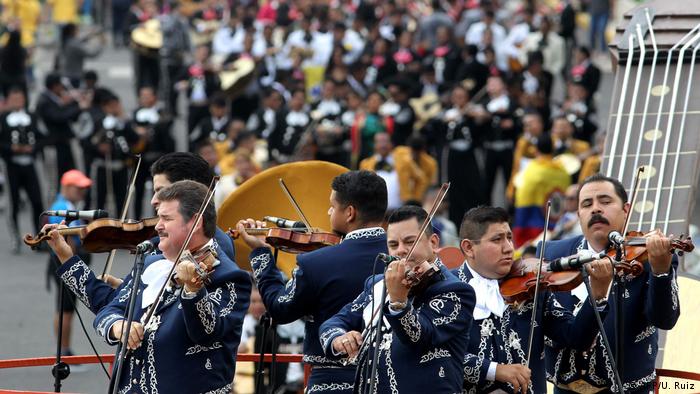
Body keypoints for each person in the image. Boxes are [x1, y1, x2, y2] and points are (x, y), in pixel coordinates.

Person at [46, 180, 251, 393]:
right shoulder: (152, 263)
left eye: (167, 218)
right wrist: (118, 326)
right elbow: (110, 307)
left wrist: (193, 292)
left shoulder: (229, 277)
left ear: (195, 223)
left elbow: (207, 332)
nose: (157, 226)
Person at [236, 170, 388, 393]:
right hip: (389, 381)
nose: (328, 212)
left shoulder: (316, 262)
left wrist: (261, 254)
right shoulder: (404, 259)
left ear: (350, 213)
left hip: (331, 382)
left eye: (332, 206)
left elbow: (280, 308)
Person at [50, 152, 238, 320]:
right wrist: (127, 288)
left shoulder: (215, 249)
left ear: (190, 192)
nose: (153, 200)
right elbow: (113, 308)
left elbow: (181, 318)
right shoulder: (157, 247)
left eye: (161, 191)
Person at [539, 174, 680, 393]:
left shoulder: (649, 257)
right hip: (563, 388)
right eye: (587, 204)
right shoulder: (550, 254)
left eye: (605, 201)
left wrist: (661, 269)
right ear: (578, 214)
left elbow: (664, 319)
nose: (595, 209)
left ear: (626, 209)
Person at [453, 206, 612, 393]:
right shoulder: (448, 290)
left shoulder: (531, 285)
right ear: (469, 248)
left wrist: (597, 294)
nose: (508, 248)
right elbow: (442, 356)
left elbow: (576, 338)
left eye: (509, 238)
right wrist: (495, 370)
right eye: (497, 240)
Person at [319, 205, 476, 393]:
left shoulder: (456, 291)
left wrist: (399, 302)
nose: (401, 251)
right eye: (393, 244)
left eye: (409, 242)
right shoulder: (378, 284)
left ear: (433, 243)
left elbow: (419, 337)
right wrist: (339, 338)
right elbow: (336, 321)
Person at [45, 169, 93, 360]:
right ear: (66, 186)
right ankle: (64, 351)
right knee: (65, 308)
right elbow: (67, 243)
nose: (82, 192)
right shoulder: (61, 208)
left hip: (64, 263)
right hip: (65, 263)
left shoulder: (69, 205)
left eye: (84, 188)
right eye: (79, 188)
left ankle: (64, 350)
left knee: (66, 308)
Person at [0, 87, 44, 252]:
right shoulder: (4, 119)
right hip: (12, 166)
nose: (18, 102)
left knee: (37, 201)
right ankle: (15, 238)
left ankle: (40, 238)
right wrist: (12, 148)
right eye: (14, 99)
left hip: (30, 165)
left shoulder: (31, 117)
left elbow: (42, 137)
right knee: (14, 203)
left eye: (20, 99)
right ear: (8, 101)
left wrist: (33, 148)